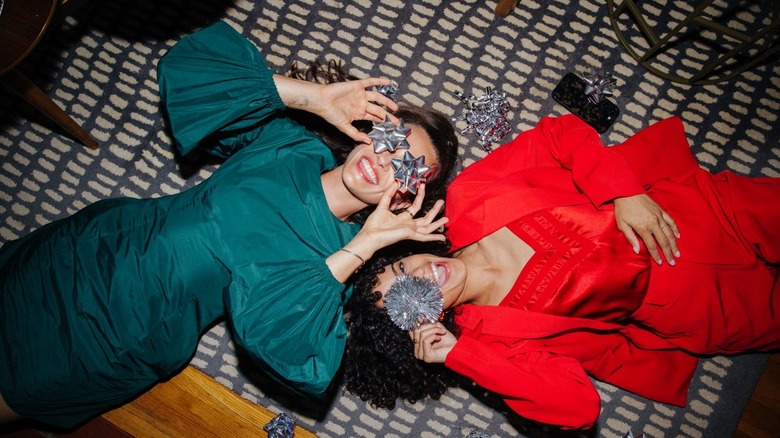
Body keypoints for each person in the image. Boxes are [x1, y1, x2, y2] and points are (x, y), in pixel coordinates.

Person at [0, 21, 459, 429]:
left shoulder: (330, 265)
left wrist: (365, 244)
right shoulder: (291, 142)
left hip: (116, 334)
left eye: (405, 169)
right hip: (86, 248)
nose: (382, 161)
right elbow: (185, 69)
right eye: (390, 140)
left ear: (406, 196)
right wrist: (310, 96)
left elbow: (294, 354)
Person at [344, 114, 780, 430]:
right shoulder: (495, 341)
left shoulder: (468, 197)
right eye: (404, 301)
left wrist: (621, 191)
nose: (418, 277)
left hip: (702, 208)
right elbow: (578, 408)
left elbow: (557, 135)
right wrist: (460, 356)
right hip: (700, 310)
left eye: (401, 268)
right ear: (423, 325)